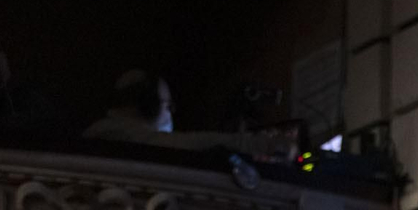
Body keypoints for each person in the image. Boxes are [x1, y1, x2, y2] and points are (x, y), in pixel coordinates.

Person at [83, 69, 284, 157]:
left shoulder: (107, 130)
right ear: (149, 106)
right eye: (168, 106)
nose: (171, 115)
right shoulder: (114, 133)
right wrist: (253, 144)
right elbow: (183, 144)